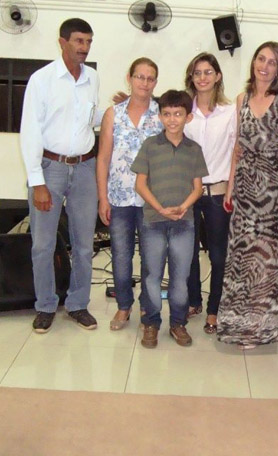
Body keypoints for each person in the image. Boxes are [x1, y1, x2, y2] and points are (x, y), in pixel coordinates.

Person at [20, 18, 101, 333]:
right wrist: (37, 181)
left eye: (88, 42)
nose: (84, 47)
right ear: (62, 42)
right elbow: (30, 131)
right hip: (50, 169)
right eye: (79, 41)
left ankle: (78, 304)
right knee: (42, 243)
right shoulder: (42, 80)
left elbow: (88, 118)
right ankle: (45, 305)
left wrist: (112, 111)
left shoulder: (92, 77)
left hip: (84, 168)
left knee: (84, 244)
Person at [217, 42, 278, 348]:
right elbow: (238, 146)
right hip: (245, 190)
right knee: (243, 259)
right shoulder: (242, 99)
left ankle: (262, 327)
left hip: (276, 192)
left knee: (267, 261)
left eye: (273, 62)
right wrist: (229, 188)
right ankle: (240, 324)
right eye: (261, 59)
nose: (264, 66)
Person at [131, 90, 207, 348]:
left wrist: (183, 207)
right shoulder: (150, 145)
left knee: (180, 276)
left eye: (178, 114)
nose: (172, 119)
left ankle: (178, 323)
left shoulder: (194, 149)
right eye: (167, 114)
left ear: (188, 117)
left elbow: (198, 188)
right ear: (160, 116)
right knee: (152, 274)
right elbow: (140, 184)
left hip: (184, 223)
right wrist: (161, 209)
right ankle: (151, 323)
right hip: (153, 221)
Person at [96, 57, 162, 330]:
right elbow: (103, 158)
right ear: (130, 78)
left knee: (151, 258)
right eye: (140, 77)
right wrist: (103, 198)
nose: (144, 83)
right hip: (119, 198)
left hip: (151, 201)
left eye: (150, 78)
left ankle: (148, 308)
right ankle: (124, 306)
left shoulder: (162, 114)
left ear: (155, 82)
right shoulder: (114, 114)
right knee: (121, 256)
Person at [183, 52, 237, 334]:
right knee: (187, 253)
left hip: (217, 193)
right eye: (197, 72)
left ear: (217, 76)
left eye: (207, 72)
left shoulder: (230, 112)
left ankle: (214, 309)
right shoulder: (184, 112)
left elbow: (236, 153)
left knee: (218, 256)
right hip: (188, 194)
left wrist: (231, 189)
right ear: (191, 78)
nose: (202, 77)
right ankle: (193, 301)